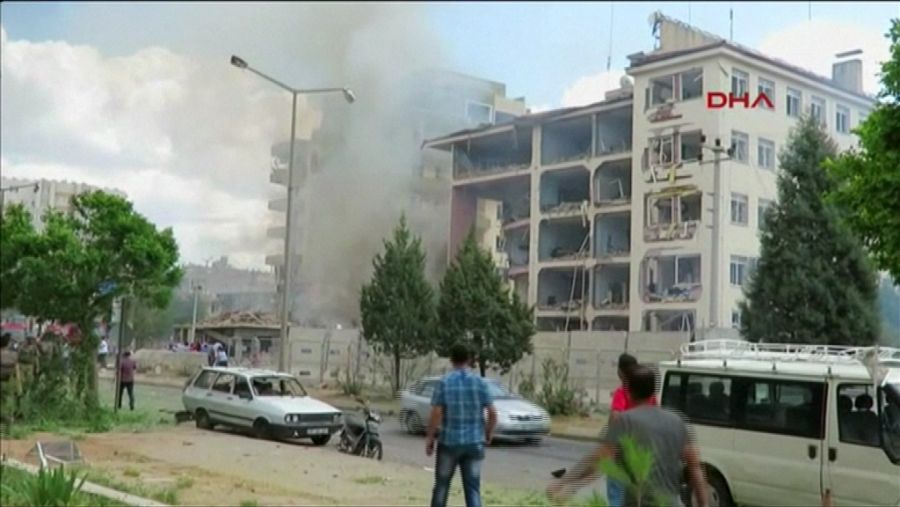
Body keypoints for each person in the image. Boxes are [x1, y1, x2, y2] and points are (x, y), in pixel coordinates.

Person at [548, 366, 707, 507]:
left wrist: (564, 482)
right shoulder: (677, 421)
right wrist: (703, 504)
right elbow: (695, 467)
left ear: (628, 391)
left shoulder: (625, 421)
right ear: (653, 391)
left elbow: (600, 459)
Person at [426, 342, 497, 507]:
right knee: (472, 487)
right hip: (474, 442)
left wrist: (430, 437)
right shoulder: (480, 382)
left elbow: (436, 412)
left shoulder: (445, 382)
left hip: (449, 441)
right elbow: (492, 413)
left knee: (442, 484)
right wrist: (488, 433)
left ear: (451, 360)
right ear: (469, 359)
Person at [606, 353, 659, 507]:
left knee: (617, 494)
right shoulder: (649, 394)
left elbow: (616, 419)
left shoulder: (622, 392)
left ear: (620, 372)